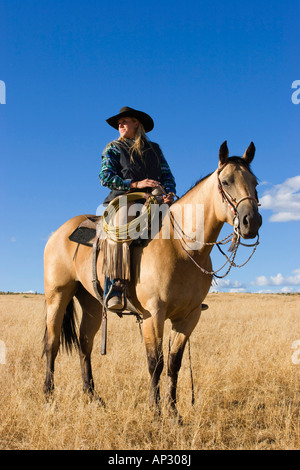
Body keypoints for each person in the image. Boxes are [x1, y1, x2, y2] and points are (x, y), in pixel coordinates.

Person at [99, 106, 176, 310]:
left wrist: (169, 193)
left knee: (185, 225)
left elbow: (167, 176)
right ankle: (116, 285)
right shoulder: (113, 148)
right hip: (125, 200)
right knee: (121, 227)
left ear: (137, 124)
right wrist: (135, 185)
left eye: (124, 121)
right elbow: (105, 177)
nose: (120, 125)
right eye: (119, 123)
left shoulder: (155, 149)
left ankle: (188, 286)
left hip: (156, 201)